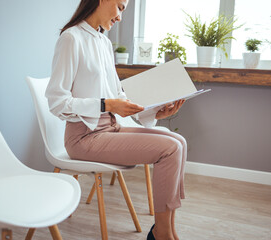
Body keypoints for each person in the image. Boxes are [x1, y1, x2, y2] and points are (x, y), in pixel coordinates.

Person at [45, 0, 187, 239]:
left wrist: (155, 112)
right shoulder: (71, 39)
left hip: (111, 128)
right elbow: (57, 102)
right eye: (120, 7)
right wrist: (106, 104)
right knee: (170, 149)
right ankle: (163, 233)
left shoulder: (103, 42)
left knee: (178, 141)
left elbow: (118, 97)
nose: (120, 17)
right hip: (84, 137)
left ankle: (169, 229)